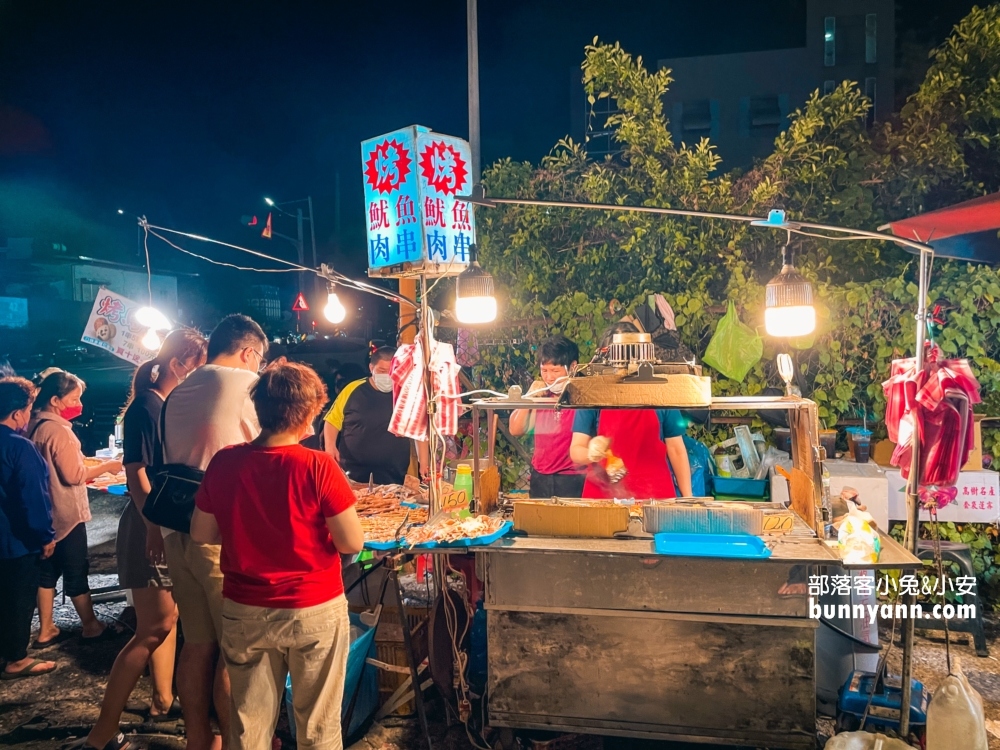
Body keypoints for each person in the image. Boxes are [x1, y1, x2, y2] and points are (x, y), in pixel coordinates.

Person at [191, 360, 362, 750]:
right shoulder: (319, 466)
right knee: (318, 729)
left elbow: (201, 533)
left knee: (248, 727)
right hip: (313, 608)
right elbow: (352, 543)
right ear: (308, 413)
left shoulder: (225, 462)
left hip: (244, 609)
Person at [71, 329, 209, 750]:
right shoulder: (149, 406)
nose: (199, 375)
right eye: (197, 366)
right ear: (178, 364)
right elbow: (137, 475)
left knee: (166, 623)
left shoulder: (163, 403)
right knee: (152, 628)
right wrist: (155, 528)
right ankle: (102, 732)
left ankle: (163, 699)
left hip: (161, 523)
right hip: (150, 525)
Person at [160, 313, 267, 750]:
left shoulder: (180, 389)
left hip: (176, 529)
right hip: (220, 535)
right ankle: (241, 742)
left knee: (197, 642)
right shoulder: (244, 386)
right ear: (248, 352)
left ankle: (198, 739)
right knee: (235, 651)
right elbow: (277, 446)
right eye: (260, 360)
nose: (260, 369)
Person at [29, 371, 121, 646]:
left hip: (46, 513)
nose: (78, 403)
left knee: (47, 572)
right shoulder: (58, 431)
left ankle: (46, 628)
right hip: (66, 513)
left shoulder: (33, 425)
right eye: (74, 398)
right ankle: (91, 625)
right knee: (75, 570)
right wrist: (108, 466)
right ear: (56, 400)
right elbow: (73, 474)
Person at [569, 323, 693, 499]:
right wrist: (591, 452)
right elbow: (576, 450)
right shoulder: (593, 393)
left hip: (654, 496)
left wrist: (688, 498)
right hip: (604, 498)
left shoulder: (659, 391)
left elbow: (676, 449)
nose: (623, 368)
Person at [0, 377, 57, 680]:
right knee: (18, 600)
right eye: (28, 410)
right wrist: (46, 536)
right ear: (18, 414)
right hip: (17, 543)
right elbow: (33, 498)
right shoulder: (20, 448)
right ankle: (16, 658)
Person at [509, 335, 586, 498]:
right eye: (544, 370)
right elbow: (515, 429)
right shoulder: (541, 395)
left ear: (573, 367)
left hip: (572, 477)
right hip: (540, 476)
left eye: (555, 371)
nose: (549, 377)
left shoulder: (582, 396)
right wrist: (530, 397)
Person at [323, 346, 412, 485]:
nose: (388, 376)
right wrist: (330, 447)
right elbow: (331, 421)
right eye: (382, 371)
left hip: (394, 474)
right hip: (352, 473)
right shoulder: (353, 389)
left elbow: (418, 428)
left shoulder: (406, 393)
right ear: (371, 368)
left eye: (392, 371)